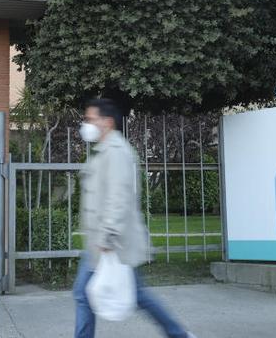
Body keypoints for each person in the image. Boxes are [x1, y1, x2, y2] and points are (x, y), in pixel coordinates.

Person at [73, 98, 195, 338]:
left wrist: (107, 236)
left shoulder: (117, 152)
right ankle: (179, 334)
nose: (86, 124)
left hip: (113, 242)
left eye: (90, 119)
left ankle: (179, 334)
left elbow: (119, 197)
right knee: (114, 295)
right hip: (104, 241)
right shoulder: (103, 151)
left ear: (106, 122)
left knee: (98, 294)